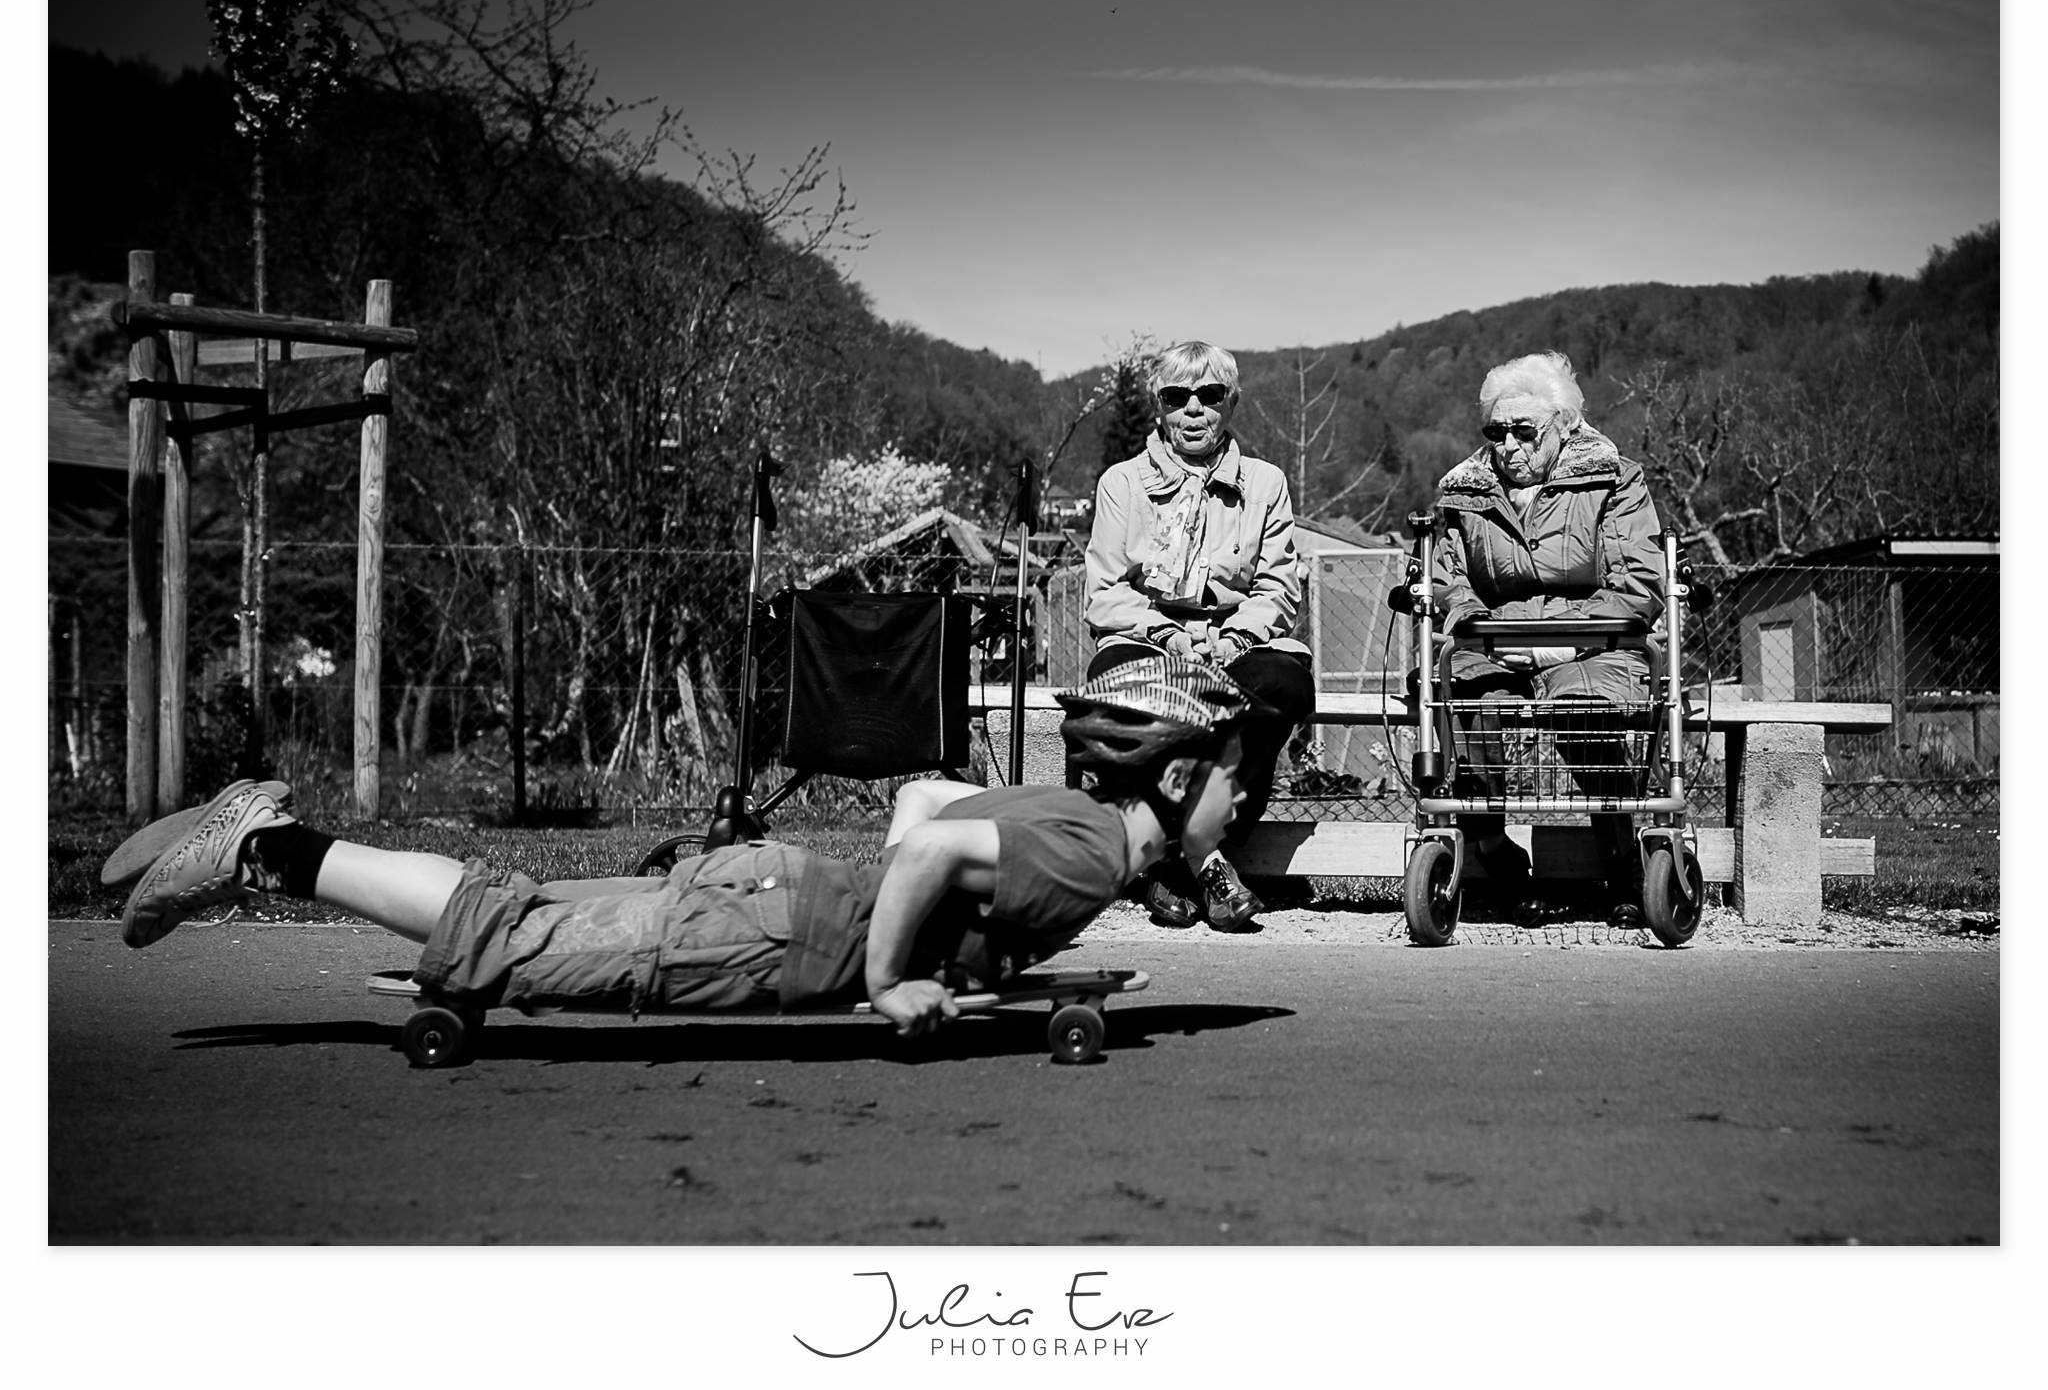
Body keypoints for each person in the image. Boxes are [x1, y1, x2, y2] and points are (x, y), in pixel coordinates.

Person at [111, 655, 1252, 1038]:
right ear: (1181, 776)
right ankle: (256, 846)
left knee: (513, 907)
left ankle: (264, 833)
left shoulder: (1053, 815)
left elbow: (918, 812)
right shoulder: (1094, 855)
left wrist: (956, 942)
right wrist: (896, 978)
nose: (1241, 801)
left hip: (769, 897)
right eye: (1236, 778)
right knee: (502, 945)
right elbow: (916, 865)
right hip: (763, 935)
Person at [1083, 340, 1314, 933]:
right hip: (1147, 638)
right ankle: (1201, 863)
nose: (1192, 409)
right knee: (1132, 687)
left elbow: (1280, 588)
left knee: (1281, 684)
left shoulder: (1265, 483)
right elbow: (1105, 593)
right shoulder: (1122, 483)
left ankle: (1184, 856)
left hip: (1234, 642)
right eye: (1176, 396)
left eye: (1208, 396)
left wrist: (1236, 637)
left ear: (1230, 405)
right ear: (1158, 407)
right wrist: (1166, 633)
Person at [1429, 350, 1665, 914]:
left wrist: (1553, 643)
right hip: (1497, 640)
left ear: (1562, 425)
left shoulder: (1613, 479)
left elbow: (1638, 584)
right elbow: (1450, 583)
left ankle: (1624, 860)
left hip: (1594, 640)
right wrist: (1482, 630)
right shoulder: (1466, 493)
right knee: (1467, 697)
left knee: (1588, 708)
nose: (1506, 445)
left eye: (1522, 430)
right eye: (1495, 430)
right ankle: (1490, 851)